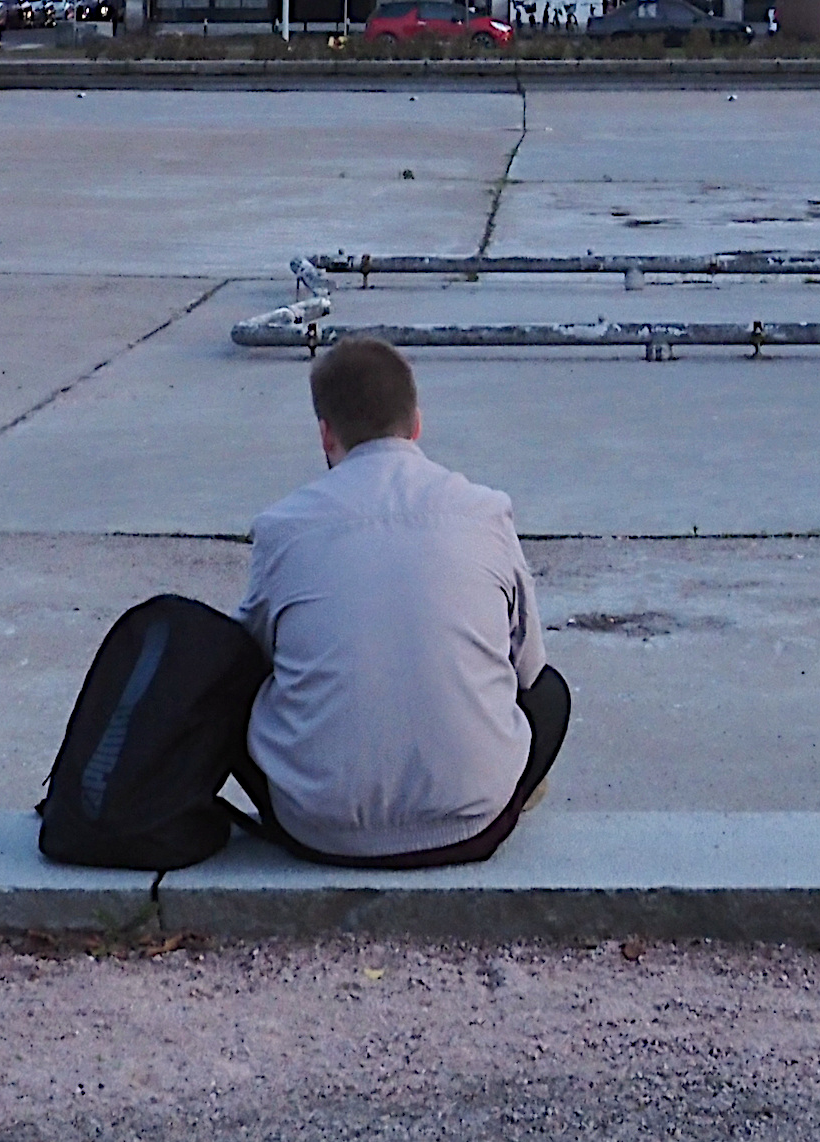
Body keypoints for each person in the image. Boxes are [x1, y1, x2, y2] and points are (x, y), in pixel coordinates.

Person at [232, 334, 569, 867]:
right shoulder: (485, 510)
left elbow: (247, 661)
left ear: (326, 434)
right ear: (416, 423)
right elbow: (527, 669)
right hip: (473, 827)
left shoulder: (283, 527)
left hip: (315, 830)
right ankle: (490, 780)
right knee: (552, 695)